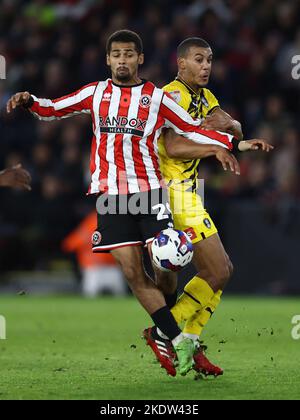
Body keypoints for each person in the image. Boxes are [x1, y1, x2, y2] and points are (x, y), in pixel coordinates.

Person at [7, 29, 261, 376]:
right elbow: (55, 108)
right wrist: (29, 101)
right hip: (111, 196)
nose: (122, 60)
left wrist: (232, 145)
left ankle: (168, 331)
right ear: (108, 59)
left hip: (151, 192)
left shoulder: (156, 98)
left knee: (168, 266)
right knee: (132, 272)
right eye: (116, 55)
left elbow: (192, 128)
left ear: (139, 59)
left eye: (129, 54)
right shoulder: (96, 93)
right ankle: (178, 339)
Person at [144, 37, 273, 376]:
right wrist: (210, 139)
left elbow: (234, 126)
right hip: (172, 191)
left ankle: (187, 338)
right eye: (198, 60)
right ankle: (163, 330)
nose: (206, 66)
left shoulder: (206, 97)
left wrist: (219, 128)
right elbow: (171, 146)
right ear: (181, 63)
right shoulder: (173, 95)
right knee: (218, 270)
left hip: (190, 191)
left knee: (221, 272)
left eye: (210, 60)